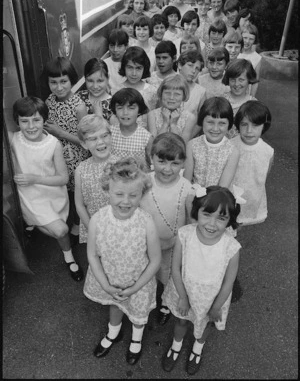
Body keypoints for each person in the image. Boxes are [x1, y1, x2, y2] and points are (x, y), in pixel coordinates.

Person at [83, 157, 161, 365]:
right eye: (119, 194)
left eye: (133, 195)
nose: (125, 201)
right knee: (115, 305)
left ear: (141, 194)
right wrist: (105, 285)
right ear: (107, 190)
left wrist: (136, 287)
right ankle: (113, 333)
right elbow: (92, 255)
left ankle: (136, 340)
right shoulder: (98, 220)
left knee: (138, 312)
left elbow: (155, 260)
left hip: (138, 282)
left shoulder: (146, 222)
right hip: (110, 279)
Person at [161, 185, 242, 375]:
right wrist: (182, 297)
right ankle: (176, 345)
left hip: (211, 300)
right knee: (181, 321)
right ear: (197, 211)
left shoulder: (232, 247)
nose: (212, 224)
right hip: (184, 292)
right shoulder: (185, 235)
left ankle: (197, 349)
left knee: (205, 324)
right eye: (207, 214)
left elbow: (228, 283)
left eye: (221, 218)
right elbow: (175, 267)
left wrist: (215, 307)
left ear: (230, 220)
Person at [10, 96, 83, 281]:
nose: (31, 126)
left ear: (44, 120)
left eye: (36, 120)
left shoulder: (53, 143)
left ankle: (33, 225)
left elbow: (63, 178)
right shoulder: (13, 139)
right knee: (61, 231)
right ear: (17, 122)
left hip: (50, 192)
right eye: (24, 121)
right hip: (27, 195)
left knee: (57, 228)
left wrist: (34, 178)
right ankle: (69, 257)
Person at [140, 133, 193, 326]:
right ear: (152, 157)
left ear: (183, 163)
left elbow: (189, 220)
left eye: (175, 163)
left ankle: (165, 302)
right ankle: (145, 301)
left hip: (172, 244)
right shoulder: (144, 182)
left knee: (169, 274)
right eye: (161, 161)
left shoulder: (187, 188)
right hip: (145, 243)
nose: (167, 169)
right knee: (146, 273)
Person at [43, 56, 89, 242]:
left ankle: (78, 222)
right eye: (53, 82)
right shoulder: (49, 101)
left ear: (72, 80)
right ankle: (63, 219)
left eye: (64, 81)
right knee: (62, 190)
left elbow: (85, 141)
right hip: (57, 155)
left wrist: (60, 132)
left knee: (76, 191)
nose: (59, 87)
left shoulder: (79, 107)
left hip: (76, 157)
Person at [75, 115, 119, 243]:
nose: (100, 142)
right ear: (84, 144)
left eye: (104, 135)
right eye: (93, 139)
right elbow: (79, 205)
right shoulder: (81, 170)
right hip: (94, 228)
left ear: (111, 136)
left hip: (119, 227)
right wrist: (92, 230)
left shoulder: (121, 165)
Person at [231, 100, 274, 225]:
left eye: (255, 125)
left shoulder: (268, 151)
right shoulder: (231, 146)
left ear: (264, 126)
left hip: (253, 199)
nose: (249, 130)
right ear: (238, 125)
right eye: (244, 124)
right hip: (232, 198)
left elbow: (264, 176)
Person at [184, 96, 240, 190]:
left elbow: (223, 187)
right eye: (210, 122)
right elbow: (186, 181)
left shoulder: (233, 152)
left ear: (229, 125)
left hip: (218, 200)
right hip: (193, 197)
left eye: (222, 123)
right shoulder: (192, 145)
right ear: (202, 121)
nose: (215, 128)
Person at [147, 74, 197, 144]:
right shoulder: (152, 115)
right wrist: (165, 123)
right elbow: (154, 144)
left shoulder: (190, 117)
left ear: (184, 96)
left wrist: (173, 125)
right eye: (167, 93)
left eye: (177, 94)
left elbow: (183, 145)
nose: (171, 97)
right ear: (161, 94)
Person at [110, 88, 153, 167]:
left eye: (131, 108)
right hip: (114, 177)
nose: (125, 113)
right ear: (114, 110)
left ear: (139, 110)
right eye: (120, 108)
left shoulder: (146, 137)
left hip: (137, 177)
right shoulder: (109, 133)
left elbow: (150, 164)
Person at [222, 58, 257, 139]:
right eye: (233, 80)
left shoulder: (253, 104)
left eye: (241, 80)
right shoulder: (221, 100)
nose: (236, 84)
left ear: (249, 79)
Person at [118, 46, 158, 113]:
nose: (134, 73)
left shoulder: (152, 91)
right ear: (124, 67)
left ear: (144, 68)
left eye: (138, 68)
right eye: (130, 67)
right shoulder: (117, 90)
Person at [177, 50, 206, 119]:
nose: (193, 71)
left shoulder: (200, 92)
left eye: (197, 68)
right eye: (190, 65)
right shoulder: (167, 83)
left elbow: (201, 119)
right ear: (180, 65)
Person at [238, 23, 261, 97]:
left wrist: (252, 97)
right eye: (245, 38)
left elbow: (255, 81)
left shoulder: (257, 58)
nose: (247, 41)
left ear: (255, 40)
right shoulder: (235, 53)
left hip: (246, 93)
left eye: (251, 39)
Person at [104, 29, 128, 95]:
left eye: (119, 46)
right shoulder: (104, 64)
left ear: (126, 46)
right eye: (112, 46)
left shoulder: (130, 63)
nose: (115, 50)